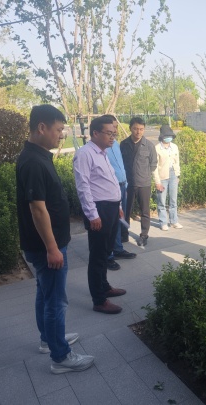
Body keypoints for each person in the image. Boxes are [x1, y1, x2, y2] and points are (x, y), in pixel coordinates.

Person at [16, 104, 94, 374]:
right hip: (46, 247)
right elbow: (38, 209)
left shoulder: (37, 155)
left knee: (45, 293)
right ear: (42, 127)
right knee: (56, 301)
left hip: (46, 245)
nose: (61, 135)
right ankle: (60, 357)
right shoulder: (33, 162)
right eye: (59, 129)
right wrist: (52, 248)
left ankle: (48, 340)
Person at [73, 115, 127, 315]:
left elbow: (109, 181)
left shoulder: (103, 152)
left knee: (106, 252)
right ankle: (99, 300)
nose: (113, 137)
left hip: (110, 208)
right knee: (97, 255)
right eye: (108, 133)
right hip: (98, 210)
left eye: (114, 133)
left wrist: (118, 204)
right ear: (95, 133)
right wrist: (92, 215)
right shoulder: (85, 154)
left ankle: (104, 286)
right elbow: (83, 186)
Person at [103, 114, 136, 271]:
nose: (116, 130)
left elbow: (121, 165)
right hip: (110, 189)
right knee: (110, 223)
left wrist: (126, 185)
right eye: (113, 127)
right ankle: (108, 256)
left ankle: (117, 249)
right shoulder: (101, 147)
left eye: (116, 127)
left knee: (118, 220)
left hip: (122, 186)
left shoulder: (115, 144)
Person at [120, 117, 157, 247]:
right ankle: (124, 234)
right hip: (128, 184)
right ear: (130, 128)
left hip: (144, 184)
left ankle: (144, 235)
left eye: (141, 129)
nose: (138, 132)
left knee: (145, 212)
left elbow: (153, 164)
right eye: (135, 129)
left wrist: (143, 174)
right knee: (125, 210)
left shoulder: (149, 145)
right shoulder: (123, 144)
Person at [153, 124, 183, 231]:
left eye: (170, 136)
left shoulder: (174, 147)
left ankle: (174, 221)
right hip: (162, 176)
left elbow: (177, 162)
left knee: (173, 200)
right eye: (166, 136)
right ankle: (163, 222)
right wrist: (157, 181)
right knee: (161, 200)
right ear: (162, 136)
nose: (168, 138)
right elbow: (154, 167)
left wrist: (177, 175)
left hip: (173, 174)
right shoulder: (157, 148)